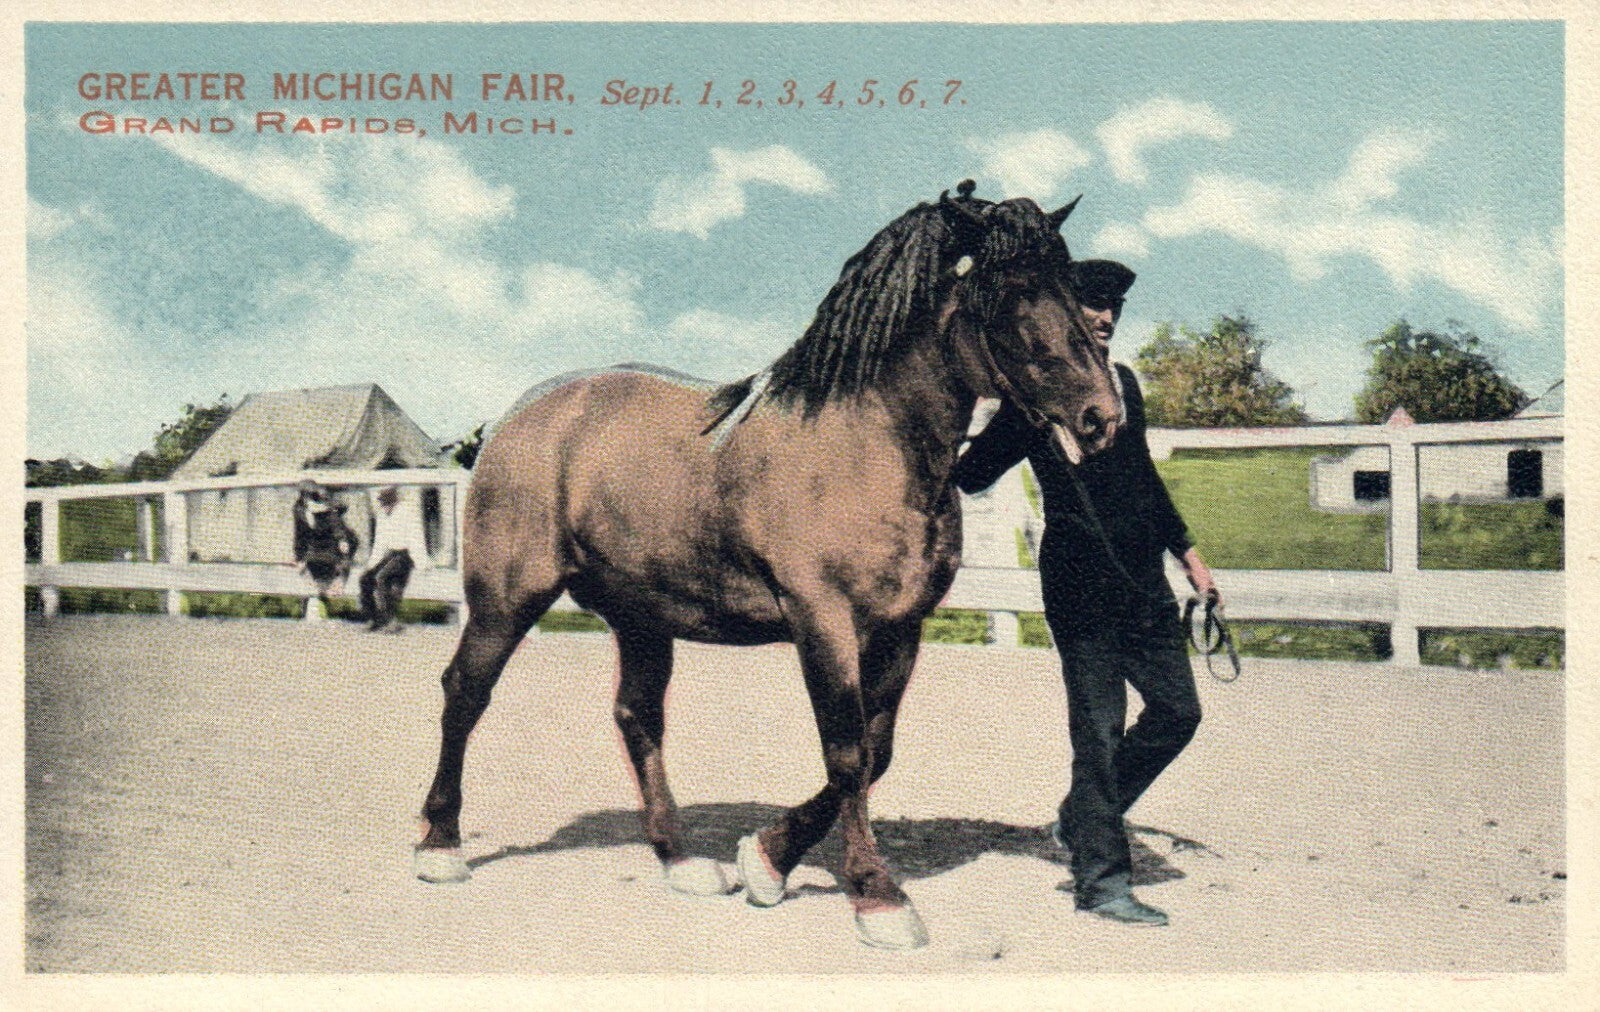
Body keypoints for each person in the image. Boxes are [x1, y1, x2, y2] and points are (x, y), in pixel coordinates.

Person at [954, 259, 1219, 927]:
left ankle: (1079, 818)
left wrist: (1187, 553)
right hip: (1079, 584)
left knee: (1177, 714)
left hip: (1143, 584)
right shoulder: (1037, 395)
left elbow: (1143, 483)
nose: (1104, 317)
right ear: (1067, 313)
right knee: (1097, 734)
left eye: (1114, 308)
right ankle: (1101, 883)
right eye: (1093, 305)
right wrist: (1012, 415)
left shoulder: (1123, 385)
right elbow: (972, 475)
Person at [359, 485, 418, 633]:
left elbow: (416, 538)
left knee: (381, 578)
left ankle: (391, 621)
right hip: (390, 555)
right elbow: (379, 543)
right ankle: (374, 618)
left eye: (386, 503)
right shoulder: (382, 515)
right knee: (365, 578)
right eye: (382, 503)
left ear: (394, 503)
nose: (384, 507)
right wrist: (371, 564)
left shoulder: (406, 512)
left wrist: (421, 561)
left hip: (405, 555)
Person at [293, 479, 359, 605]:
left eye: (311, 495)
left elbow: (337, 525)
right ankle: (318, 598)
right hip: (319, 551)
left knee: (347, 547)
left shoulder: (328, 510)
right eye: (306, 495)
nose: (308, 498)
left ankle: (333, 588)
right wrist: (299, 557)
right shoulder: (299, 509)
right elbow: (299, 534)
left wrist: (342, 539)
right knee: (316, 575)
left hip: (329, 548)